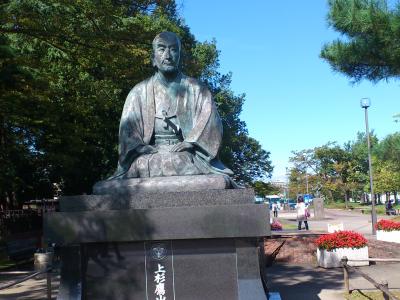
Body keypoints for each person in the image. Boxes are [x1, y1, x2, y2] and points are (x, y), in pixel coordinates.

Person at [109, 32, 233, 179]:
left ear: (180, 57)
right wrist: (140, 147)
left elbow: (210, 121)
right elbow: (127, 130)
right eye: (161, 49)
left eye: (173, 50)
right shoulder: (138, 92)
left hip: (186, 154)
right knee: (141, 165)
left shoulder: (197, 89)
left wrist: (191, 142)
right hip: (150, 155)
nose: (167, 55)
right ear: (153, 58)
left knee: (182, 162)